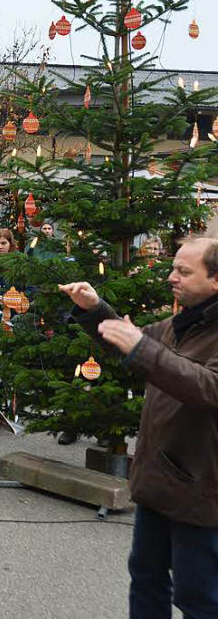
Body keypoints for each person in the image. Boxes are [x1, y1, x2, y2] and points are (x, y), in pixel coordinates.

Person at [60, 237, 218, 619]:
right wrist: (95, 310)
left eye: (184, 271)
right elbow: (133, 343)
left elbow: (207, 387)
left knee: (199, 598)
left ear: (215, 280)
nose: (171, 278)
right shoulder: (182, 323)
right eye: (173, 268)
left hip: (201, 492)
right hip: (157, 481)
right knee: (146, 580)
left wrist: (141, 348)